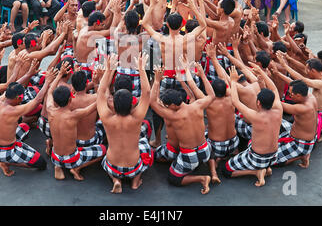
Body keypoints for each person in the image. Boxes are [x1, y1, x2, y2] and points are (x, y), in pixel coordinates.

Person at [150, 62, 214, 194]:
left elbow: (152, 103)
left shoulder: (173, 116)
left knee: (174, 178)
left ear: (173, 105)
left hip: (190, 155)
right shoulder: (198, 105)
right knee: (206, 142)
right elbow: (211, 95)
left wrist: (156, 81)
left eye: (167, 105)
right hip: (205, 150)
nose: (166, 107)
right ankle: (212, 171)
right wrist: (198, 75)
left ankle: (202, 178)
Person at [97, 53, 153, 193]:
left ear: (113, 105)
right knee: (146, 147)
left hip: (113, 167)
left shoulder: (106, 118)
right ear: (132, 104)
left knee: (105, 161)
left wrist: (109, 69)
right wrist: (141, 69)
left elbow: (100, 92)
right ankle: (135, 181)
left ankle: (116, 180)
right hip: (134, 167)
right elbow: (146, 92)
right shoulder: (136, 118)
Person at [222, 65, 282, 187]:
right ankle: (267, 167)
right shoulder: (278, 109)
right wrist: (261, 72)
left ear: (258, 102)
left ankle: (256, 171)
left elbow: (235, 101)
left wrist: (232, 81)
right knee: (251, 141)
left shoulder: (256, 116)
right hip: (274, 155)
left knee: (226, 170)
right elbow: (274, 89)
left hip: (258, 157)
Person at [0, 70, 56, 177]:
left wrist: (28, 74)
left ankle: (9, 155)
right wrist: (47, 82)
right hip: (4, 151)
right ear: (17, 98)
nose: (21, 100)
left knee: (24, 127)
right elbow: (37, 100)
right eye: (21, 98)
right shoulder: (14, 111)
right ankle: (5, 162)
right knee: (41, 164)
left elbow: (12, 87)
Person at [47, 66, 105, 181]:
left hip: (55, 157)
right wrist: (98, 81)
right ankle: (77, 167)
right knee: (103, 149)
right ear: (69, 99)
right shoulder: (75, 115)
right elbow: (100, 99)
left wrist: (59, 75)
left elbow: (49, 91)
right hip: (73, 158)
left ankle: (57, 166)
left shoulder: (50, 109)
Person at [276, 54, 322, 142]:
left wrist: (285, 66)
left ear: (313, 70)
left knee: (296, 123)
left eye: (308, 70)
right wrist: (289, 58)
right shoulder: (319, 76)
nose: (305, 71)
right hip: (318, 114)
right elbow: (303, 69)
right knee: (294, 120)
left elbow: (303, 80)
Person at [271, 80, 318, 168]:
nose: (289, 95)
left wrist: (262, 90)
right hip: (296, 133)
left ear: (298, 95)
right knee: (277, 120)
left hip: (301, 144)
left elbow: (276, 104)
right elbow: (296, 83)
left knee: (271, 160)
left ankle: (302, 155)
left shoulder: (303, 108)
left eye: (291, 94)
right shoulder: (310, 96)